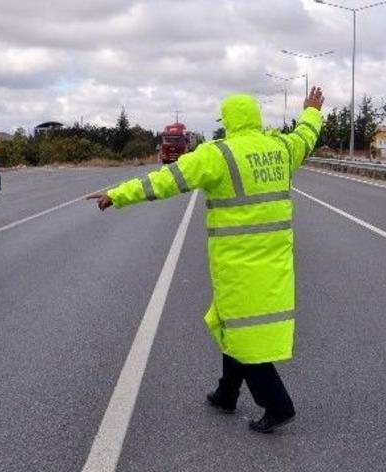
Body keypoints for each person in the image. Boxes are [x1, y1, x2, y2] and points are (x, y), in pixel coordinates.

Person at [87, 87, 325, 434]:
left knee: (243, 338)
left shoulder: (218, 154)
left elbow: (164, 181)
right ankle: (227, 394)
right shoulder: (281, 148)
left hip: (238, 266)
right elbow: (306, 135)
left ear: (228, 121)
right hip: (274, 262)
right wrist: (311, 112)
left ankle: (278, 406)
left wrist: (116, 195)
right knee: (232, 327)